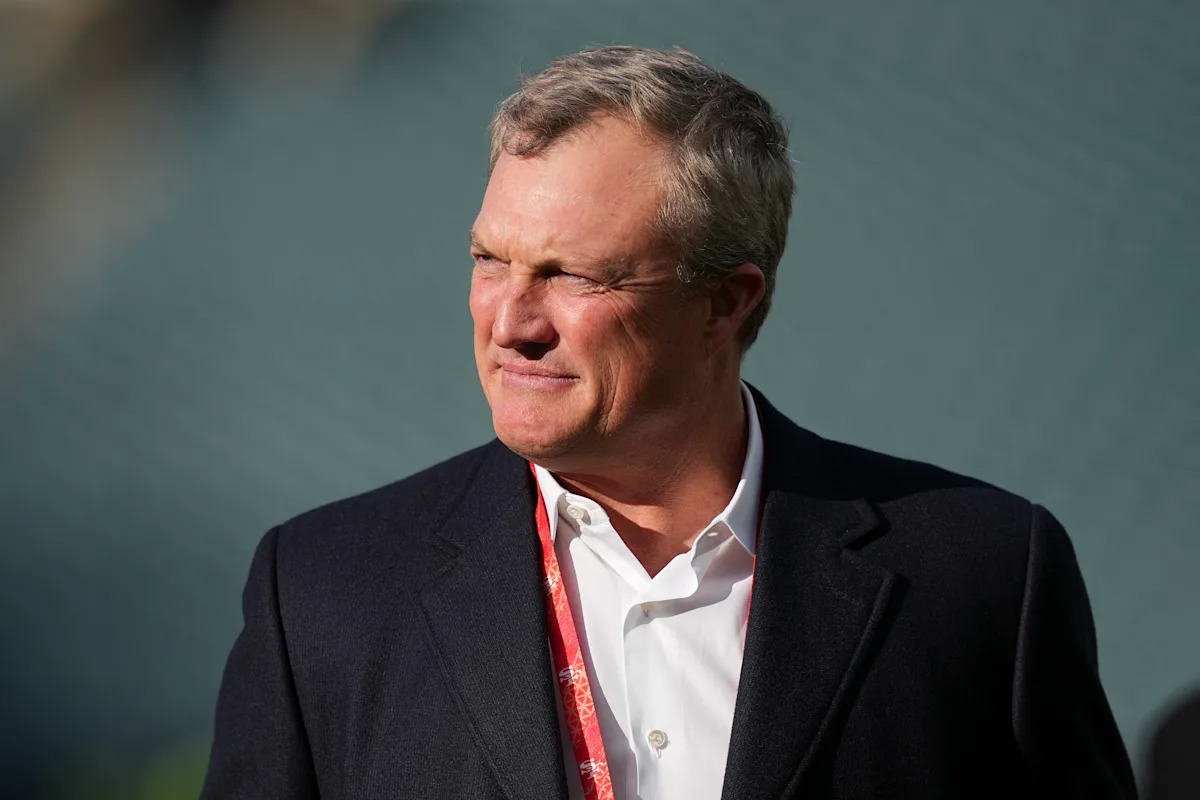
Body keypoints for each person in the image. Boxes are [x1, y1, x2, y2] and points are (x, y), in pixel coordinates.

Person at [200, 46, 1137, 799]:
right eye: (490, 261)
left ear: (725, 303)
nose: (511, 322)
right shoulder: (324, 592)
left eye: (572, 274)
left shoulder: (979, 574)